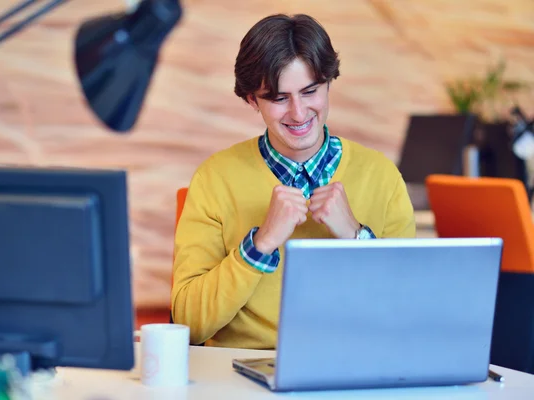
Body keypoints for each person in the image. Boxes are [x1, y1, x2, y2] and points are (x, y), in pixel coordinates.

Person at [171, 13, 415, 349]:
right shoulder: (214, 179)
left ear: (330, 83)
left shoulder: (382, 176)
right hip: (241, 375)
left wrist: (356, 238)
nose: (299, 114)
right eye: (278, 98)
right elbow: (187, 324)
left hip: (353, 367)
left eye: (310, 91)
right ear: (252, 100)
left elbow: (411, 313)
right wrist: (260, 244)